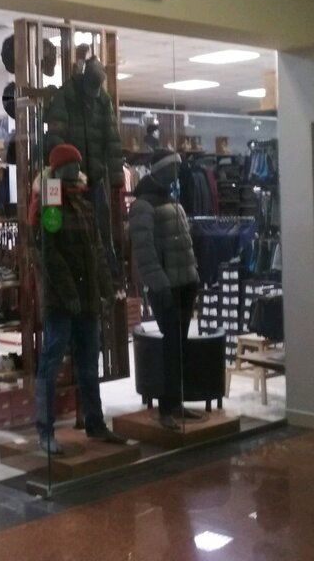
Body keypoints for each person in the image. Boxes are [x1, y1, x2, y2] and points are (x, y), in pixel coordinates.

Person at [34, 144, 124, 454]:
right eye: (69, 165)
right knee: (51, 364)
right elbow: (49, 254)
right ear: (57, 169)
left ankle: (95, 422)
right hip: (61, 302)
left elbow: (96, 250)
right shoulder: (51, 202)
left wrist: (106, 288)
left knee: (88, 364)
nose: (75, 169)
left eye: (77, 164)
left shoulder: (84, 204)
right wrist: (70, 292)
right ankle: (45, 431)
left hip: (86, 300)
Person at [128, 149, 203, 430]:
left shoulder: (171, 200)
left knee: (179, 348)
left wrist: (194, 276)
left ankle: (176, 402)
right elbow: (145, 253)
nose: (176, 173)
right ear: (160, 170)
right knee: (170, 349)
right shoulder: (143, 205)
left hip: (184, 284)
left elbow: (183, 243)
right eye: (172, 168)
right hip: (166, 287)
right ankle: (165, 408)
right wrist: (160, 286)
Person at [44, 54, 125, 284]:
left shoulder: (103, 101)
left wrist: (116, 177)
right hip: (68, 182)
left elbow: (112, 139)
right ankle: (78, 279)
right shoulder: (66, 95)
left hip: (94, 178)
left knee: (101, 234)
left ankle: (108, 282)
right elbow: (55, 137)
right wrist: (62, 168)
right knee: (65, 233)